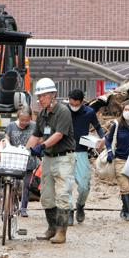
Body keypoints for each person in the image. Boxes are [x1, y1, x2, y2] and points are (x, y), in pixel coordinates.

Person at [26, 78, 76, 244]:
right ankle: (51, 228)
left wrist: (42, 146)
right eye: (38, 96)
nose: (40, 99)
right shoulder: (42, 114)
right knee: (46, 195)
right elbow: (36, 135)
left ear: (52, 95)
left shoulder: (63, 111)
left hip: (63, 158)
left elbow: (59, 134)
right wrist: (24, 151)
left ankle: (61, 232)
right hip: (48, 158)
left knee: (62, 194)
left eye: (42, 96)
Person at [67, 88, 105, 225]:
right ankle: (69, 210)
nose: (74, 107)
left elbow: (98, 127)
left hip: (82, 151)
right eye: (72, 104)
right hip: (65, 151)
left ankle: (80, 205)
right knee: (66, 184)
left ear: (82, 102)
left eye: (77, 104)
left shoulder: (89, 112)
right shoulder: (64, 111)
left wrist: (103, 139)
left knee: (84, 185)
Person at [5, 105, 37, 217]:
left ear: (30, 119)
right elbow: (6, 139)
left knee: (26, 184)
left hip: (29, 160)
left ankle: (23, 208)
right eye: (22, 120)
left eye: (27, 120)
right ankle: (13, 204)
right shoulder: (11, 126)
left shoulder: (34, 126)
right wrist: (6, 146)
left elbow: (39, 139)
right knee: (14, 183)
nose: (24, 123)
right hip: (15, 160)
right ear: (18, 117)